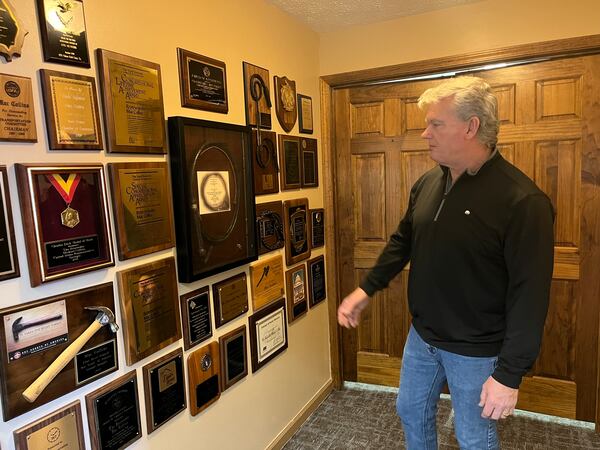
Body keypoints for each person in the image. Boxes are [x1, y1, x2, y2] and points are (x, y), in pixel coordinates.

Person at [337, 76, 554, 450]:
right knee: (410, 411)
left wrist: (508, 376)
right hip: (422, 337)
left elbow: (530, 296)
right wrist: (365, 288)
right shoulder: (427, 183)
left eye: (436, 124)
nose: (425, 134)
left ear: (472, 127)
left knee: (474, 437)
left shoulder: (523, 201)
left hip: (476, 349)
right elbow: (403, 241)